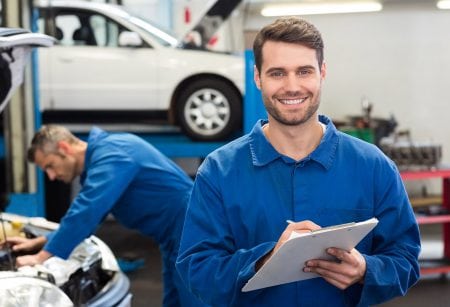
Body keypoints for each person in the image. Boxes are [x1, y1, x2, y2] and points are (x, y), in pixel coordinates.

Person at [175, 17, 420, 306]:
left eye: (304, 71)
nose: (292, 87)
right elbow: (197, 269)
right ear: (257, 77)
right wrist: (266, 258)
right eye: (277, 73)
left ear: (322, 73)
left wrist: (367, 270)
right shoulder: (219, 172)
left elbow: (405, 259)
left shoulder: (372, 166)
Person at [2, 125, 204, 307]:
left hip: (189, 229)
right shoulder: (106, 155)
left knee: (193, 300)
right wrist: (41, 242)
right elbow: (89, 218)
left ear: (64, 148)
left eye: (49, 166)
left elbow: (87, 210)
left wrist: (40, 257)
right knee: (175, 300)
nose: (51, 176)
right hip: (176, 234)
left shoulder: (113, 154)